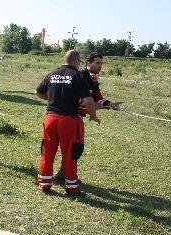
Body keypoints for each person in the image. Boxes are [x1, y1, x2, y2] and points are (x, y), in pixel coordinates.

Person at [35, 50, 100, 197]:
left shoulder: (52, 74)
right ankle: (71, 188)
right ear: (76, 61)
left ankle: (44, 184)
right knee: (70, 154)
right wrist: (93, 115)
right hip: (69, 121)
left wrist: (51, 98)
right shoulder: (78, 76)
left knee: (47, 152)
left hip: (50, 119)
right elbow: (89, 101)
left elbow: (38, 92)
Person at [54, 52, 122, 181]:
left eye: (101, 63)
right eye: (97, 63)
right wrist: (98, 108)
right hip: (69, 117)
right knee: (73, 148)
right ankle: (65, 175)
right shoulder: (79, 77)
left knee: (75, 148)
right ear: (87, 64)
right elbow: (81, 102)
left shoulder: (93, 79)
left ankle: (63, 173)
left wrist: (110, 104)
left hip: (76, 119)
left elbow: (98, 98)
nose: (100, 66)